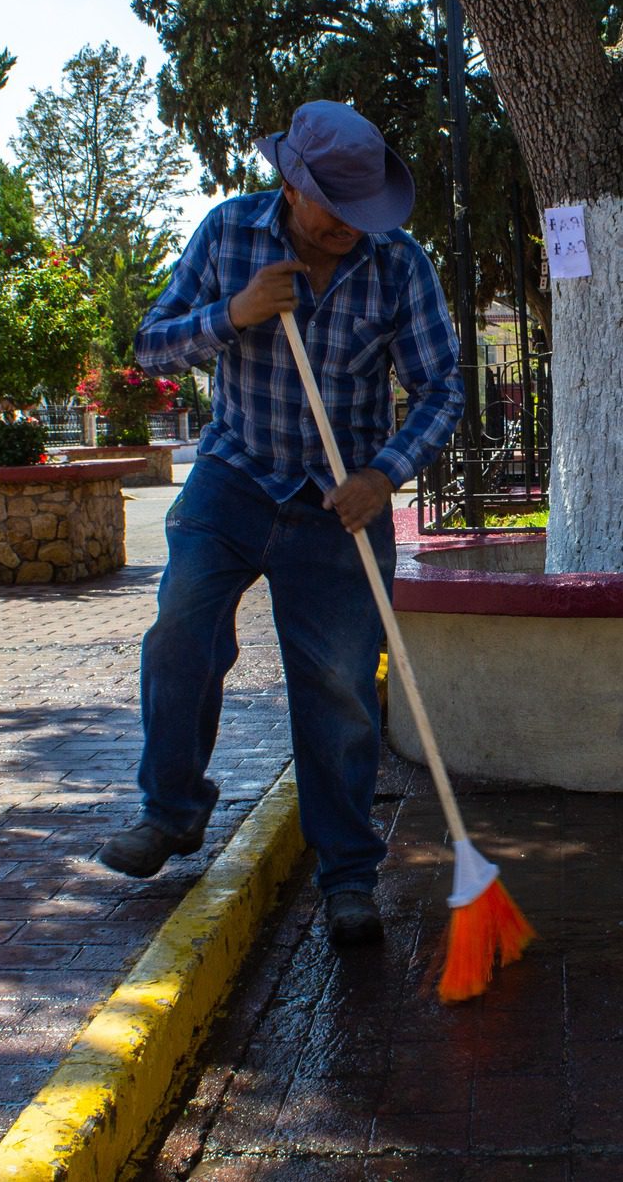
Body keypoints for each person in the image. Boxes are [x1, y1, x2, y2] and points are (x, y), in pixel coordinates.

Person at [100, 100, 464, 946]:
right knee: (181, 627)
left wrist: (384, 475)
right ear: (290, 184)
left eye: (362, 206)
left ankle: (346, 876)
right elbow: (149, 345)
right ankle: (172, 809)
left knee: (338, 686)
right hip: (233, 476)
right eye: (335, 203)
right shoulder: (229, 235)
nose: (350, 224)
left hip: (340, 496)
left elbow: (443, 388)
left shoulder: (398, 266)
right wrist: (232, 315)